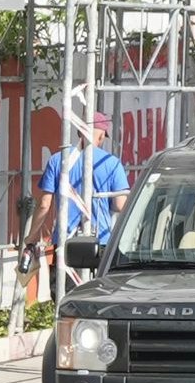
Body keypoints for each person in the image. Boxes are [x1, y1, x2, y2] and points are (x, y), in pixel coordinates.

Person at [37, 115, 131, 287]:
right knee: (98, 297)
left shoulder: (57, 160)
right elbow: (119, 205)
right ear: (102, 135)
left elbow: (44, 204)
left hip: (65, 242)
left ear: (79, 131)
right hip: (100, 240)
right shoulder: (111, 163)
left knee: (65, 298)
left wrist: (31, 237)